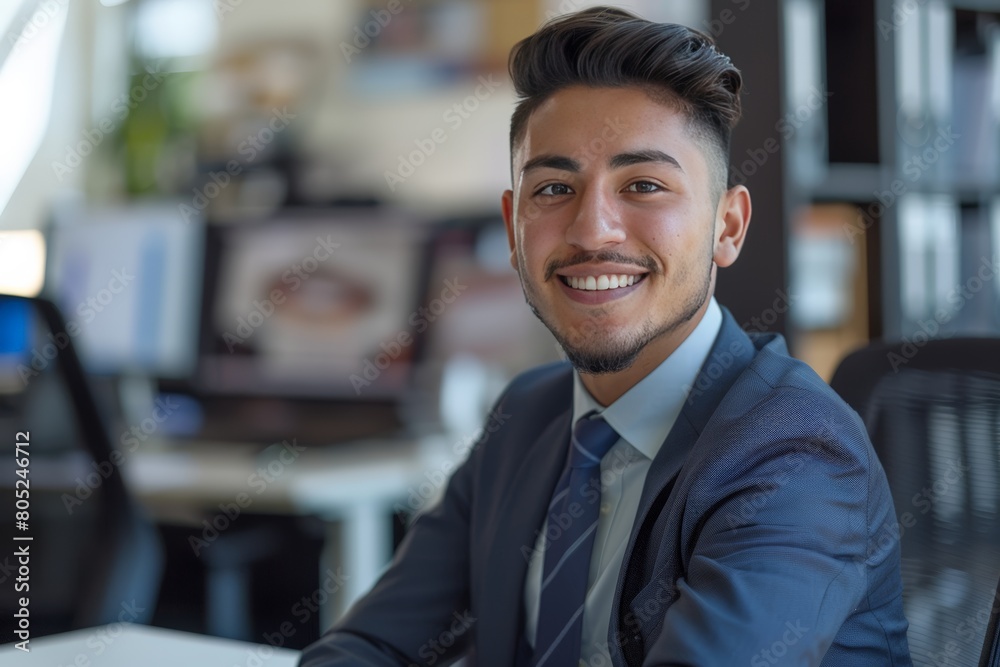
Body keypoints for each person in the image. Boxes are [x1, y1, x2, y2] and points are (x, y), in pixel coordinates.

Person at [300, 6, 912, 666]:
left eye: (644, 184)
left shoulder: (796, 454)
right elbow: (369, 644)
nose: (592, 231)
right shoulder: (526, 415)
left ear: (728, 226)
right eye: (555, 187)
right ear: (512, 227)